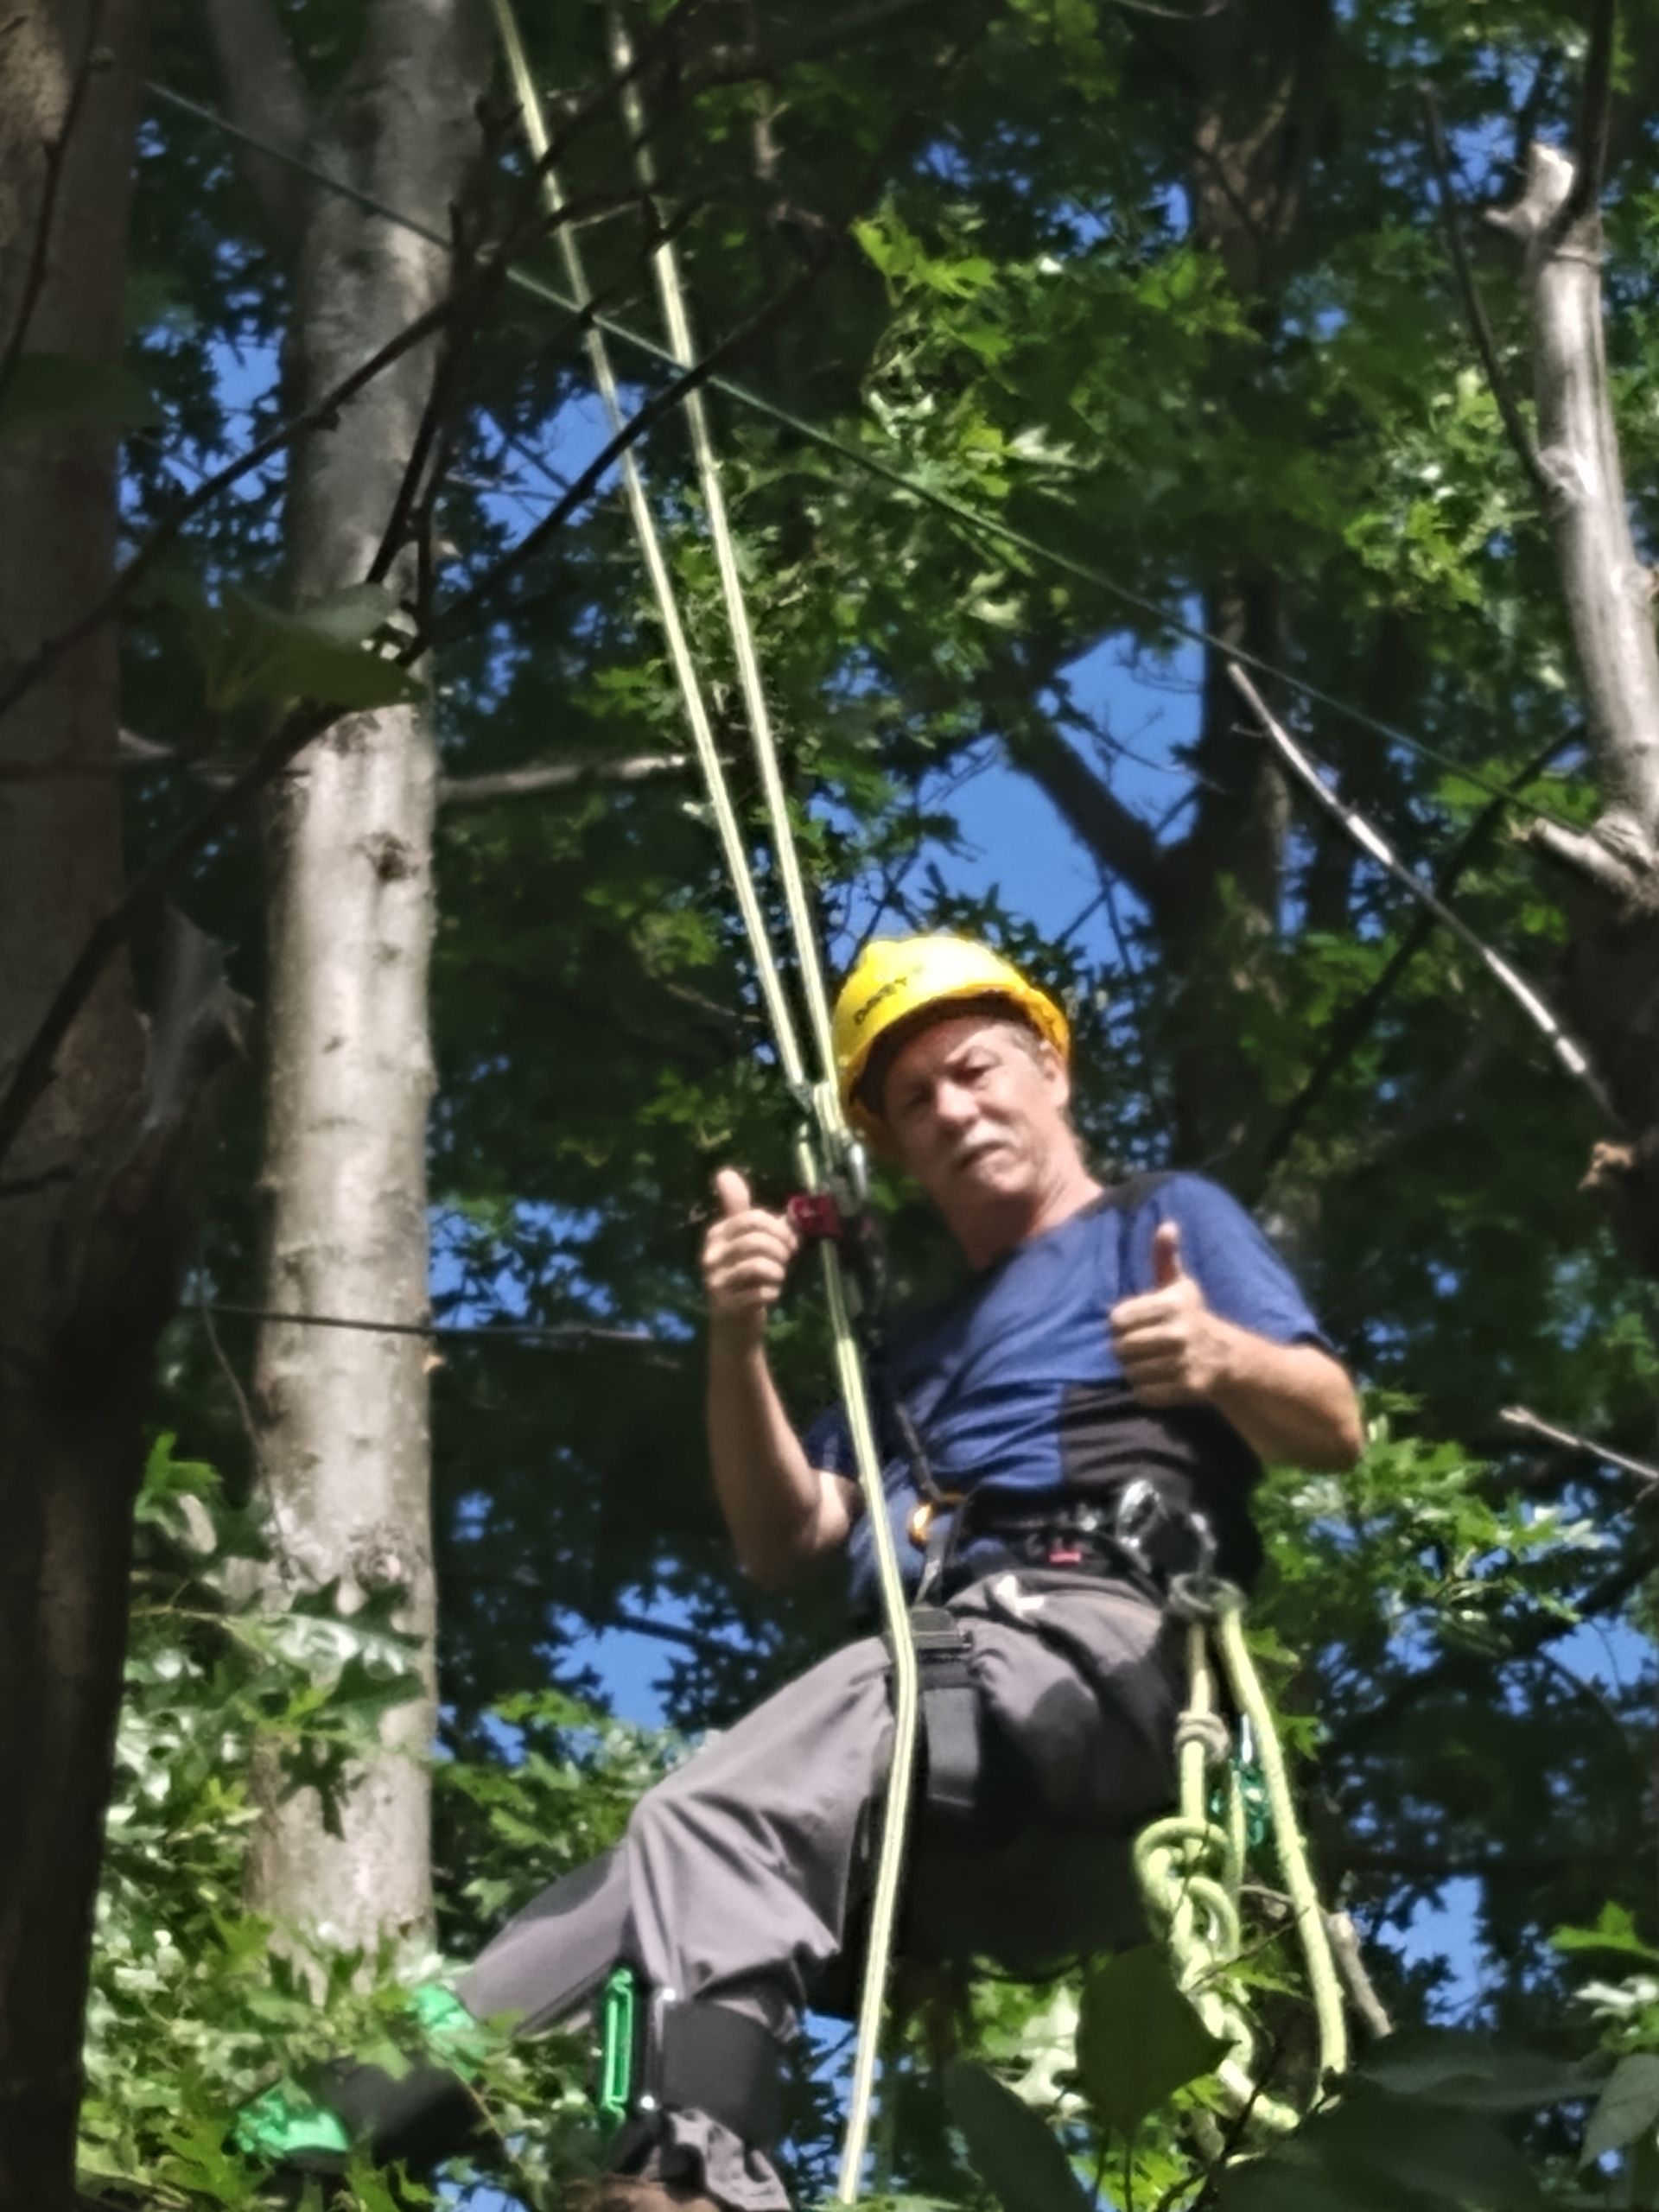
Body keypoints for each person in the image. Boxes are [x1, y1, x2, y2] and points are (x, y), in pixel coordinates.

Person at [281, 933, 1362, 2212]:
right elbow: (782, 1537)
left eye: (976, 1071)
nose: (954, 1110)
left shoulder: (1156, 1221)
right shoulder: (902, 1354)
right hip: (955, 1719)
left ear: (1050, 1074)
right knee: (609, 1916)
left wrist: (1220, 1358)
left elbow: (1332, 1424)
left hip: (1093, 1662)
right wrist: (737, 1335)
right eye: (915, 1100)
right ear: (891, 1146)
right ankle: (277, 2161)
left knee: (702, 1814)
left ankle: (701, 2175)